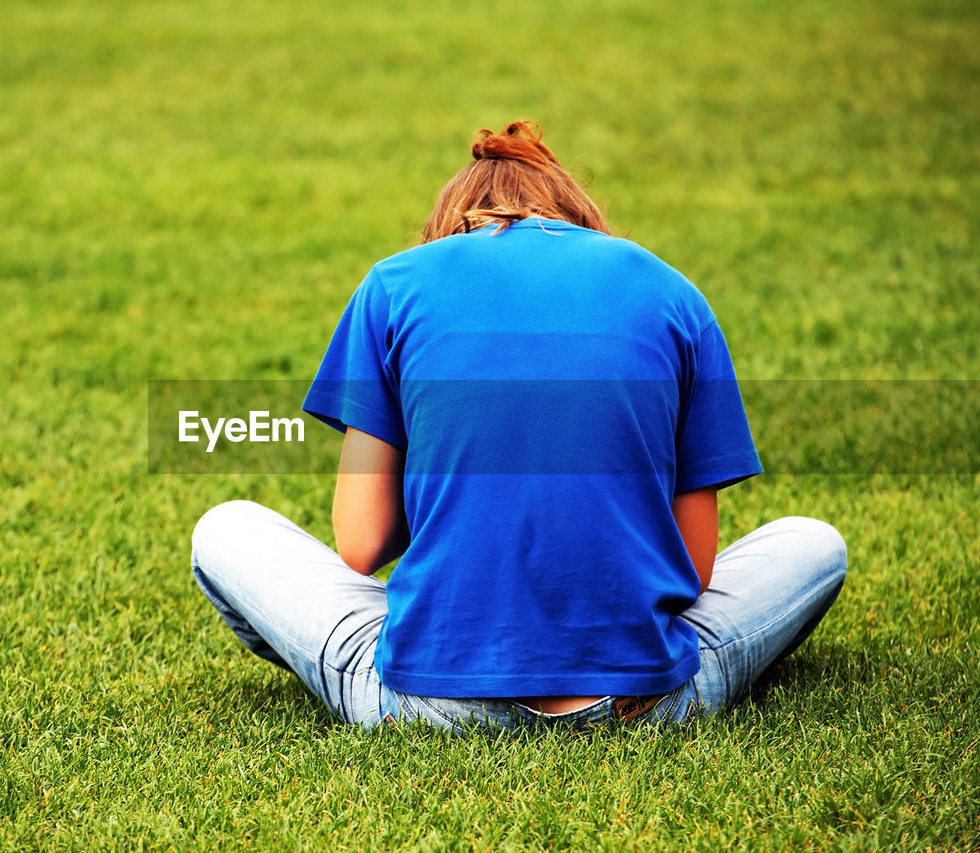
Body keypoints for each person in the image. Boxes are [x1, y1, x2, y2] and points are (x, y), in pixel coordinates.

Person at [191, 121, 846, 731]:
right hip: (647, 697)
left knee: (226, 529)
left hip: (430, 698)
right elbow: (695, 567)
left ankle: (446, 651)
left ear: (455, 225)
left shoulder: (394, 286)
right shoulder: (670, 290)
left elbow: (360, 544)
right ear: (576, 216)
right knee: (813, 544)